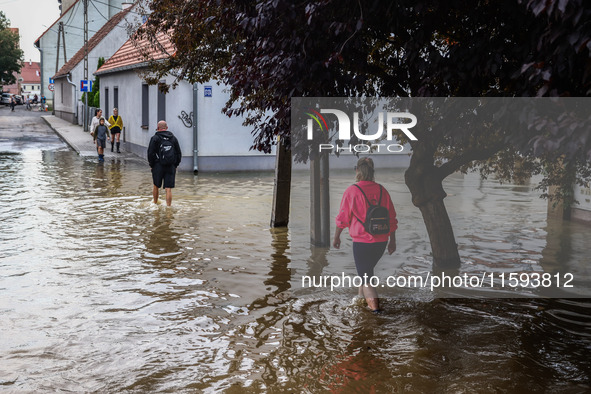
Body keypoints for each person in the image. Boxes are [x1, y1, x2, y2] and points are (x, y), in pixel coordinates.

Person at [332, 157, 398, 313]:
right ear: (373, 171)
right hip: (381, 241)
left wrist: (336, 237)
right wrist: (392, 241)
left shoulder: (352, 191)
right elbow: (392, 219)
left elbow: (343, 219)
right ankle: (360, 303)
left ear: (357, 171)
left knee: (366, 278)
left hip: (362, 243)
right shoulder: (383, 190)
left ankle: (376, 312)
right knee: (365, 273)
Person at [147, 120, 182, 206]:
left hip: (158, 165)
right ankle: (169, 208)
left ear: (158, 128)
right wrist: (175, 165)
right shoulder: (173, 138)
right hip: (170, 165)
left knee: (156, 186)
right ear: (166, 128)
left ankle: (155, 205)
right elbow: (179, 153)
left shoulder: (155, 138)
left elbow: (150, 153)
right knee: (168, 188)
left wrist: (152, 165)